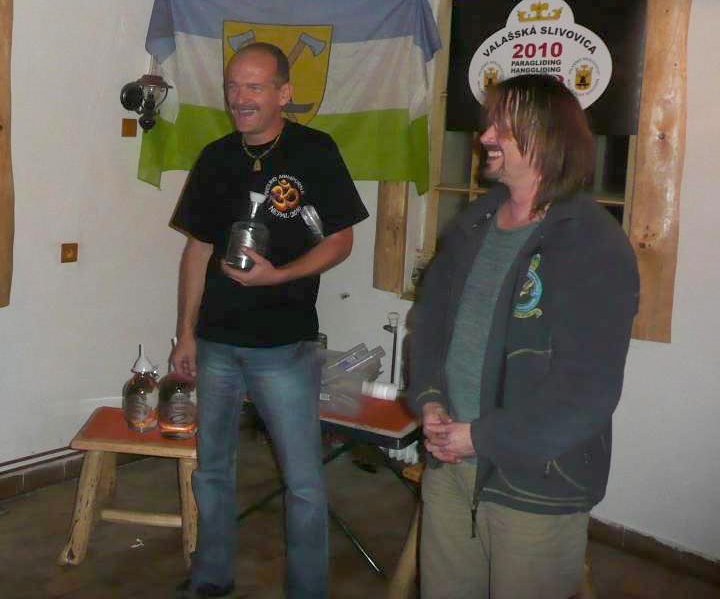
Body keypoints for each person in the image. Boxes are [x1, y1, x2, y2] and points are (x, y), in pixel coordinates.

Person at [407, 73, 639, 599]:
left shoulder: (592, 244)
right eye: (489, 124)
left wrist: (481, 437)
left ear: (547, 138)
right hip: (450, 466)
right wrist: (429, 400)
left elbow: (588, 391)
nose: (485, 136)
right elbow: (430, 323)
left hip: (536, 481)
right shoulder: (473, 223)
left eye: (502, 127)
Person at [170, 42, 368, 598]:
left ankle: (307, 590)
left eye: (254, 87)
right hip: (216, 341)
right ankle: (211, 577)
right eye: (233, 86)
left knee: (302, 481)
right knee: (212, 469)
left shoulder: (314, 151)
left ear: (284, 93)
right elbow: (196, 250)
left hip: (284, 344)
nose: (240, 98)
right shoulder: (216, 157)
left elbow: (340, 240)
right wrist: (185, 333)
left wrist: (278, 276)